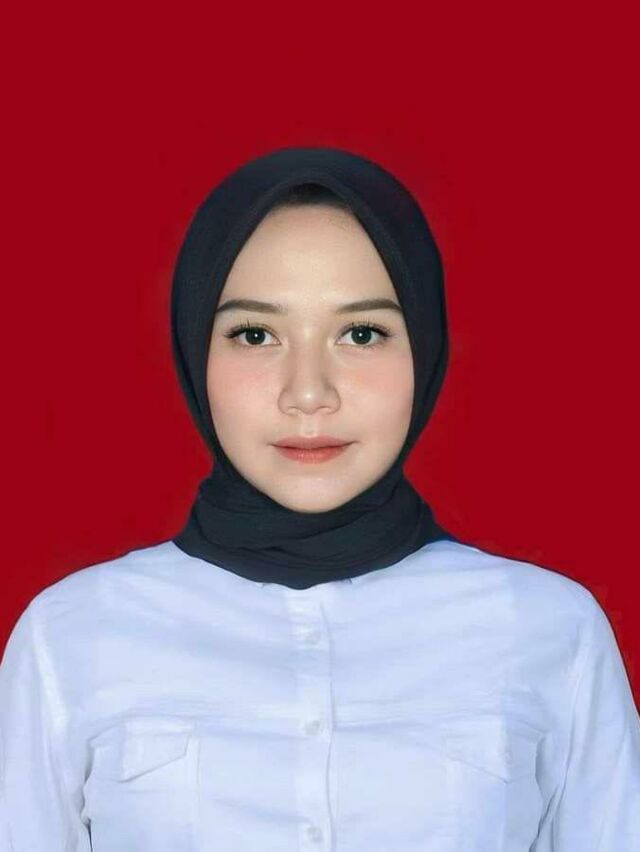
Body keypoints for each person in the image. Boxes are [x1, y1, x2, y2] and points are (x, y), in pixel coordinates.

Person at [1, 146, 638, 850]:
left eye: (361, 334)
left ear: (424, 348)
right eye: (255, 334)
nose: (308, 393)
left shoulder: (550, 629)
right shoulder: (72, 636)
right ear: (195, 349)